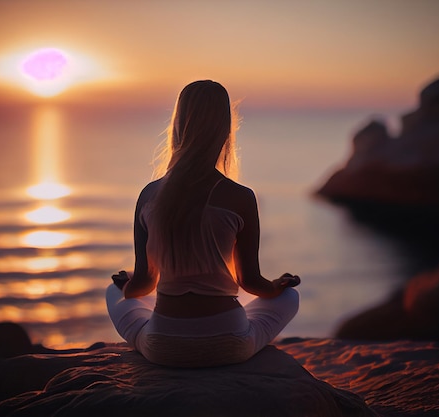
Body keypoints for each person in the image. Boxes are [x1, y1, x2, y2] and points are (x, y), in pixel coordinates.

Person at [106, 80, 300, 367]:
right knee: (290, 297)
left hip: (164, 346)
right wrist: (278, 286)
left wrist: (126, 286)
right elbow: (249, 282)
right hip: (230, 342)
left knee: (114, 292)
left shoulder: (149, 195)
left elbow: (144, 285)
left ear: (178, 126)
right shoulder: (241, 197)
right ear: (225, 130)